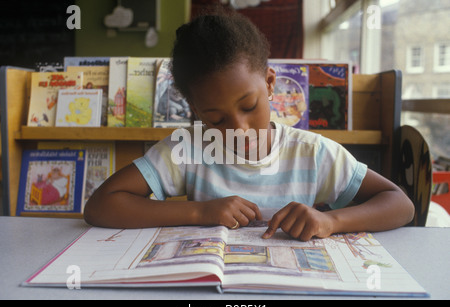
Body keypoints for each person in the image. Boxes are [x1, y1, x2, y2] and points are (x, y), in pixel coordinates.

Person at [84, 11, 414, 241]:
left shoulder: (311, 153)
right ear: (196, 110)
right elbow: (100, 206)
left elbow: (400, 204)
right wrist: (200, 213)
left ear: (270, 83)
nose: (239, 129)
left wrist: (331, 220)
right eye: (216, 118)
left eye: (249, 106)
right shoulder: (189, 148)